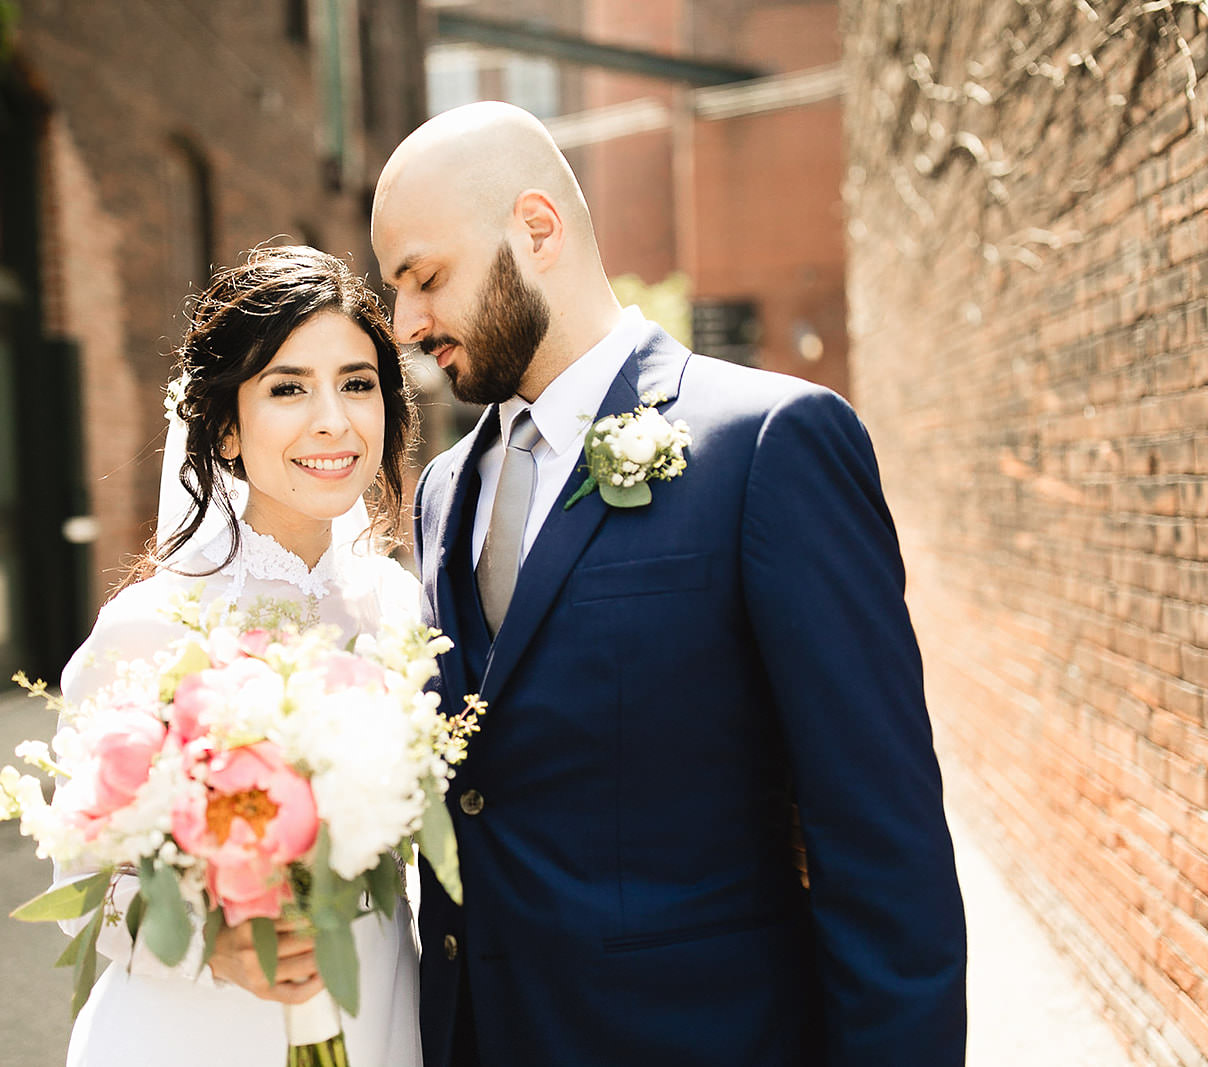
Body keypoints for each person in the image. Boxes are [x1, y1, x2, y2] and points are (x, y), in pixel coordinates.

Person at [371, 101, 967, 1066]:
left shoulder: (770, 446)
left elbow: (882, 846)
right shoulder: (443, 489)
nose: (406, 325)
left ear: (537, 228)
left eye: (425, 278)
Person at [53, 245, 424, 1067]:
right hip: (199, 1028)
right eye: (288, 387)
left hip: (377, 1009)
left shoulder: (404, 610)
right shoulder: (155, 626)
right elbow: (77, 888)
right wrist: (210, 948)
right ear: (225, 424)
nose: (333, 418)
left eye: (357, 383)